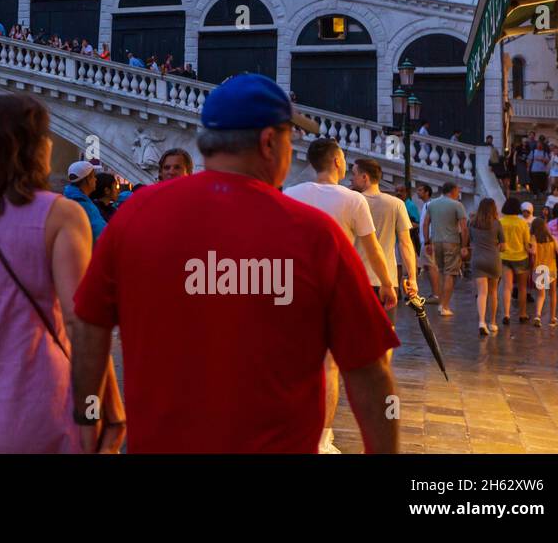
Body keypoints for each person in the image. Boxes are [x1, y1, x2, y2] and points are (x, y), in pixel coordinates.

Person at [74, 73, 399, 453]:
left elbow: (88, 328)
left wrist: (89, 417)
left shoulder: (134, 218)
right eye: (289, 139)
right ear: (268, 142)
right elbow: (371, 376)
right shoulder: (316, 236)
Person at [0, 94, 124, 453]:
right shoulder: (62, 216)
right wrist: (101, 408)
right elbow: (81, 323)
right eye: (44, 136)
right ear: (29, 148)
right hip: (35, 403)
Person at [284, 138, 396, 454]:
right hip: (333, 289)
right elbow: (372, 248)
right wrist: (387, 283)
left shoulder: (290, 195)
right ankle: (321, 439)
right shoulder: (352, 200)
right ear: (336, 161)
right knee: (329, 366)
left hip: (294, 288)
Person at [350, 159, 418, 311]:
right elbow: (406, 244)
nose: (351, 178)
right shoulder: (396, 204)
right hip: (386, 280)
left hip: (354, 279)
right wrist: (412, 278)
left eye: (354, 174)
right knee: (385, 331)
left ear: (364, 177)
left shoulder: (351, 202)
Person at [422, 182, 469, 316]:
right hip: (452, 242)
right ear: (453, 191)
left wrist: (426, 242)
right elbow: (464, 228)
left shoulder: (432, 204)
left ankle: (441, 303)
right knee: (450, 273)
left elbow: (426, 224)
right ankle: (445, 306)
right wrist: (464, 246)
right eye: (457, 191)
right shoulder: (457, 205)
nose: (458, 193)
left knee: (442, 272)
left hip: (436, 241)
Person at [468, 199, 504, 337]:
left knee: (482, 293)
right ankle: (493, 322)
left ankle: (481, 322)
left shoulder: (473, 223)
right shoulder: (497, 224)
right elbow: (503, 245)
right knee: (493, 292)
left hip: (477, 259)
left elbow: (471, 240)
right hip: (493, 260)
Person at [531, 217, 558, 327]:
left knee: (541, 295)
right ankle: (553, 318)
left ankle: (537, 315)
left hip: (539, 268)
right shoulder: (553, 238)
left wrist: (527, 249)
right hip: (551, 269)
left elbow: (533, 252)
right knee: (552, 293)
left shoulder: (534, 238)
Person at [499, 198, 533, 325]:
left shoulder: (500, 222)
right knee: (522, 288)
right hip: (520, 257)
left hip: (504, 257)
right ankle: (522, 314)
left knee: (507, 287)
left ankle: (506, 314)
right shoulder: (522, 223)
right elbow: (526, 243)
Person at [62, 160, 107, 241]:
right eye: (93, 176)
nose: (96, 179)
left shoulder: (66, 199)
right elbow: (100, 234)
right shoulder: (86, 207)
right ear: (88, 180)